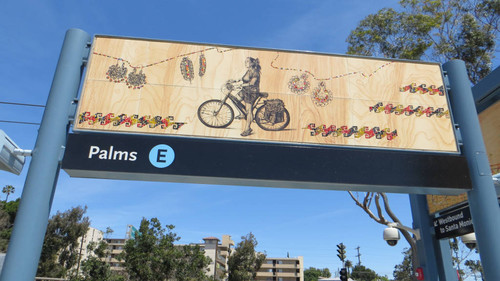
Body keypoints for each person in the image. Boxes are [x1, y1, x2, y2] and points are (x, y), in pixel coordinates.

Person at [235, 57, 261, 136]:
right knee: (235, 99)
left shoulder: (255, 72)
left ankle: (247, 129)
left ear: (252, 63)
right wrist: (234, 81)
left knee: (249, 111)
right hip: (245, 90)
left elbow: (252, 83)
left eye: (247, 62)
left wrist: (240, 85)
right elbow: (244, 79)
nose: (245, 63)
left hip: (251, 92)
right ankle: (242, 114)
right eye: (245, 61)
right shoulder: (249, 70)